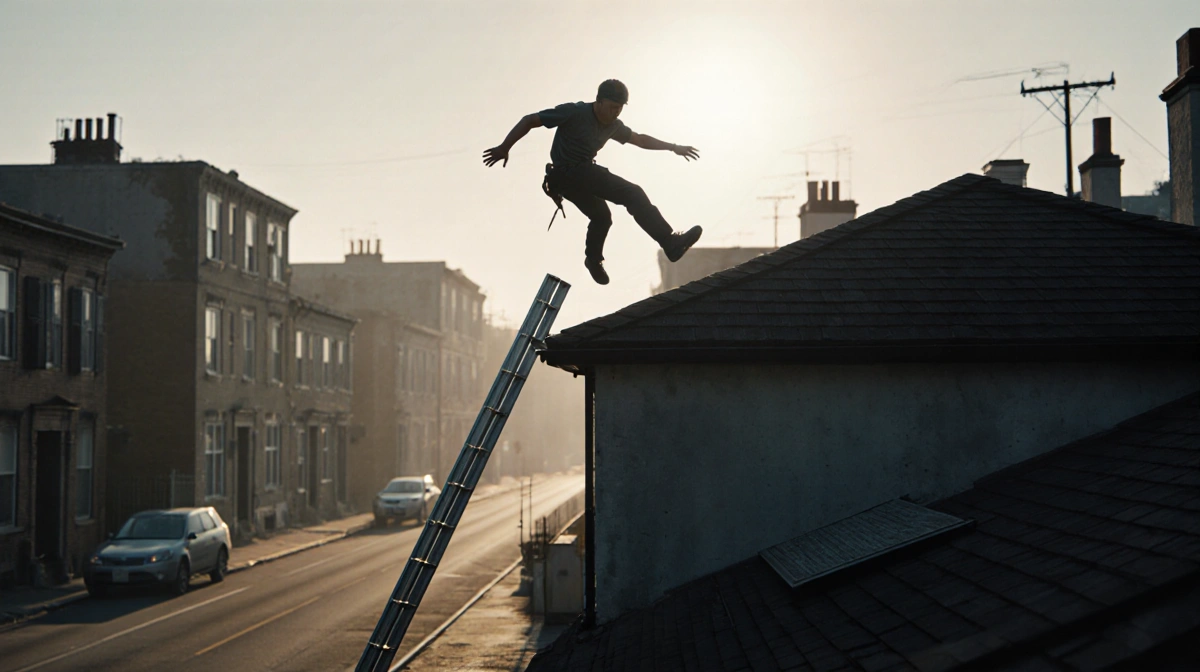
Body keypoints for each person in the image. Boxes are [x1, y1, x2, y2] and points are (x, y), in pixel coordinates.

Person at [483, 79, 703, 285]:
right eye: (612, 107)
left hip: (576, 180)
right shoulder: (575, 112)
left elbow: (639, 139)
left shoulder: (614, 126)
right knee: (633, 194)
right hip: (566, 173)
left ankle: (593, 260)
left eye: (620, 108)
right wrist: (504, 147)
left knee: (602, 217)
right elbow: (531, 120)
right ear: (598, 101)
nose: (615, 113)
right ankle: (669, 242)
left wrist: (673, 147)